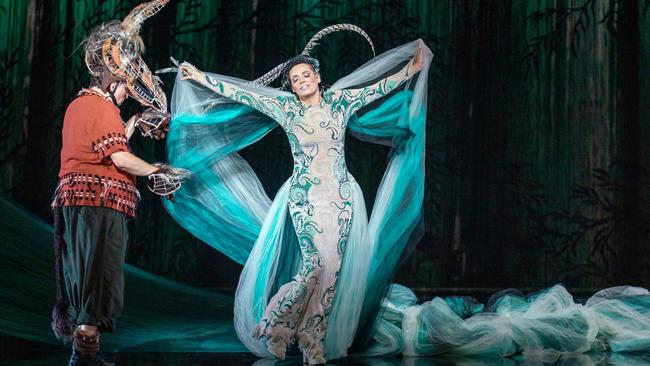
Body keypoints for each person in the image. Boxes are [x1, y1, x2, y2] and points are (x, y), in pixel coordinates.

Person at [167, 25, 431, 364]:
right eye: (295, 78)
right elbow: (244, 94)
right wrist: (200, 77)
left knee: (331, 271)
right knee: (313, 267)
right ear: (291, 85)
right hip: (305, 197)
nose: (302, 81)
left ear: (318, 77)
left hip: (340, 196)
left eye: (306, 75)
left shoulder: (339, 101)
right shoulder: (286, 108)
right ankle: (277, 324)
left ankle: (312, 339)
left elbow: (377, 88)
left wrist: (411, 70)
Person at [50, 1, 186, 365]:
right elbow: (120, 158)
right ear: (110, 77)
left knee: (96, 279)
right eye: (126, 86)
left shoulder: (96, 108)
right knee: (96, 279)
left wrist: (137, 122)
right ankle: (85, 355)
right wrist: (158, 171)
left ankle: (86, 354)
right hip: (96, 205)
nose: (128, 93)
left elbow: (113, 145)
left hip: (95, 204)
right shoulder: (95, 106)